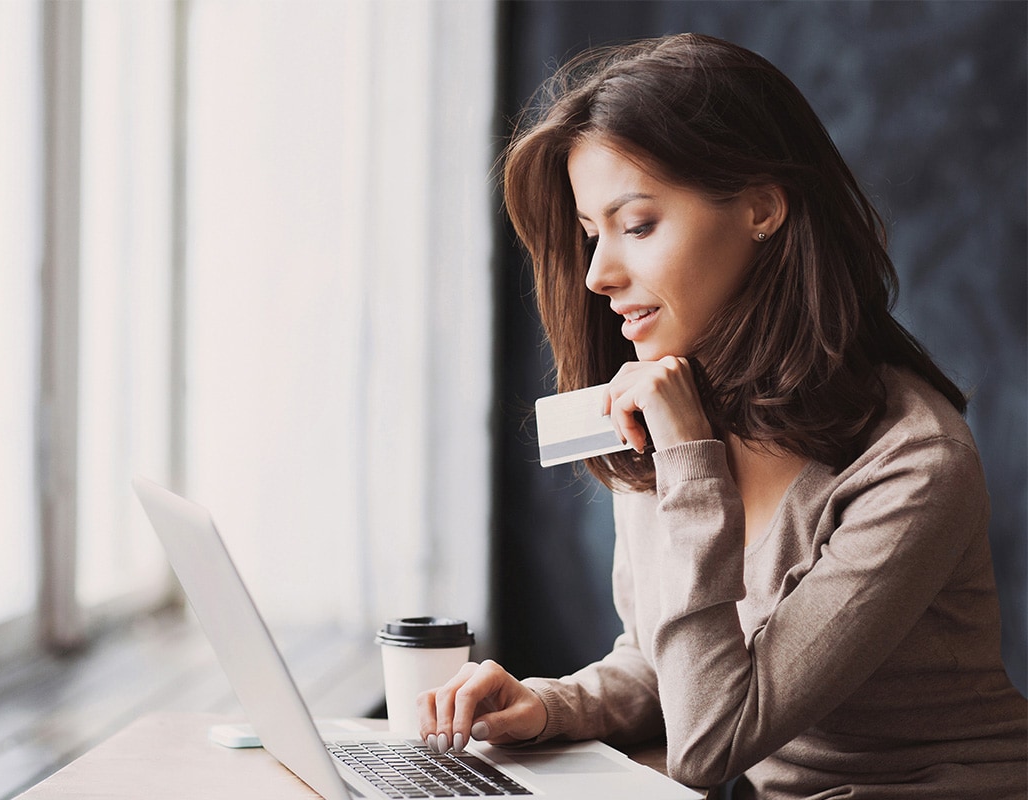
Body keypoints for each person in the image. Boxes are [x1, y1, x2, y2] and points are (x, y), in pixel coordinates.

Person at [417, 33, 1028, 798]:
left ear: (762, 209)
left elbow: (712, 739)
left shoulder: (914, 462)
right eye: (588, 235)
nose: (600, 275)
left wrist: (689, 463)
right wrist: (549, 705)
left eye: (637, 225)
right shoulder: (669, 406)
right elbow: (670, 661)